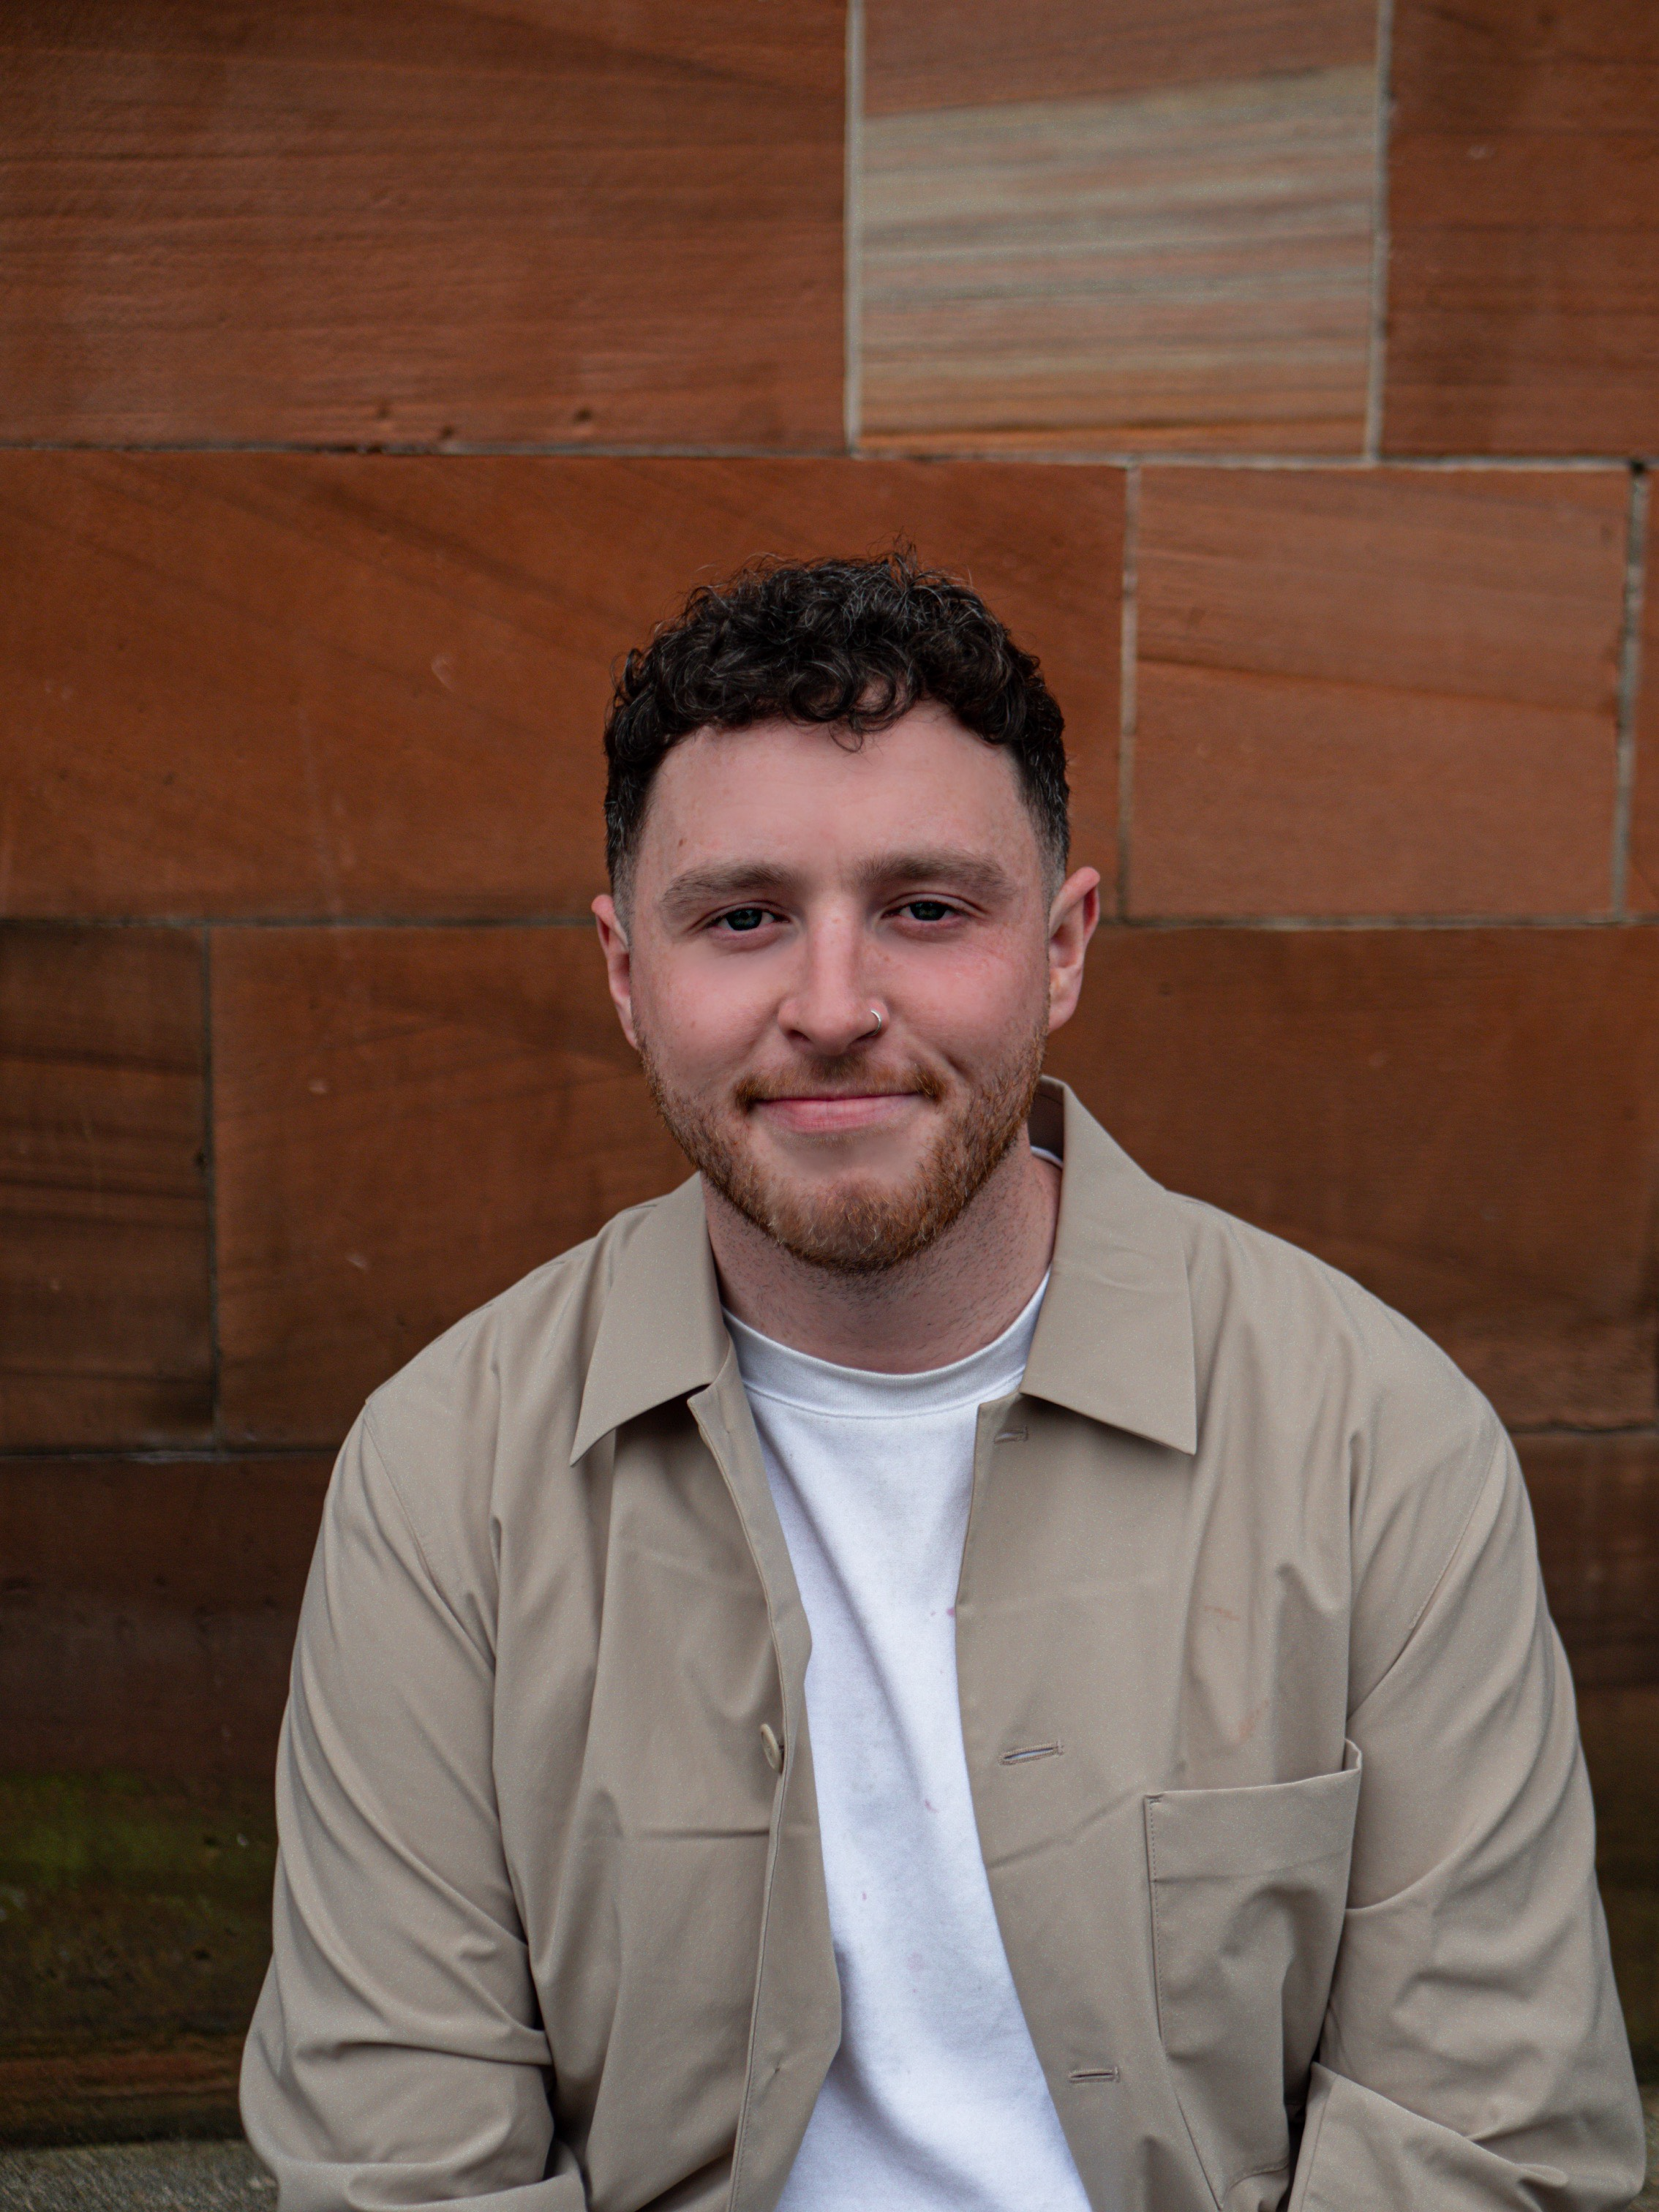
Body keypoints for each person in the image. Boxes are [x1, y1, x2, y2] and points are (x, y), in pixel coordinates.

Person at [241, 552, 1644, 2212]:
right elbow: (401, 2170)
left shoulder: (1376, 1444)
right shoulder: (445, 1478)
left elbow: (1483, 2143)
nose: (834, 1009)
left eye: (926, 908)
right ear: (628, 974)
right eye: (745, 917)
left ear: (1061, 946)